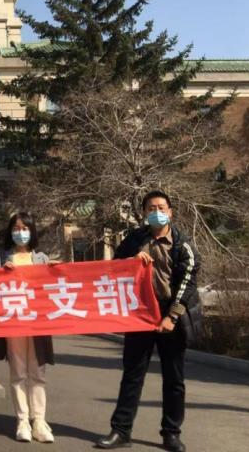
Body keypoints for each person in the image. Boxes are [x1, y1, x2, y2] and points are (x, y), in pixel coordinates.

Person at [97, 190, 201, 452]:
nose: (156, 212)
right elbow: (114, 266)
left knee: (174, 379)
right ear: (144, 213)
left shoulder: (182, 245)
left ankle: (171, 433)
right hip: (140, 313)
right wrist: (131, 261)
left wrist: (172, 316)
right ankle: (121, 431)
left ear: (170, 212)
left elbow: (188, 283)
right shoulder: (135, 239)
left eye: (161, 207)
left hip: (171, 314)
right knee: (132, 374)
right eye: (151, 208)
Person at [0, 212, 56, 444]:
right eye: (16, 228)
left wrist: (54, 271)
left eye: (24, 228)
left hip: (37, 322)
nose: (20, 232)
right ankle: (22, 420)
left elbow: (51, 288)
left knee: (38, 373)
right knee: (18, 372)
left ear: (32, 231)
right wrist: (1, 273)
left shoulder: (41, 258)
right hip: (13, 322)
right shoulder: (1, 258)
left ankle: (39, 420)